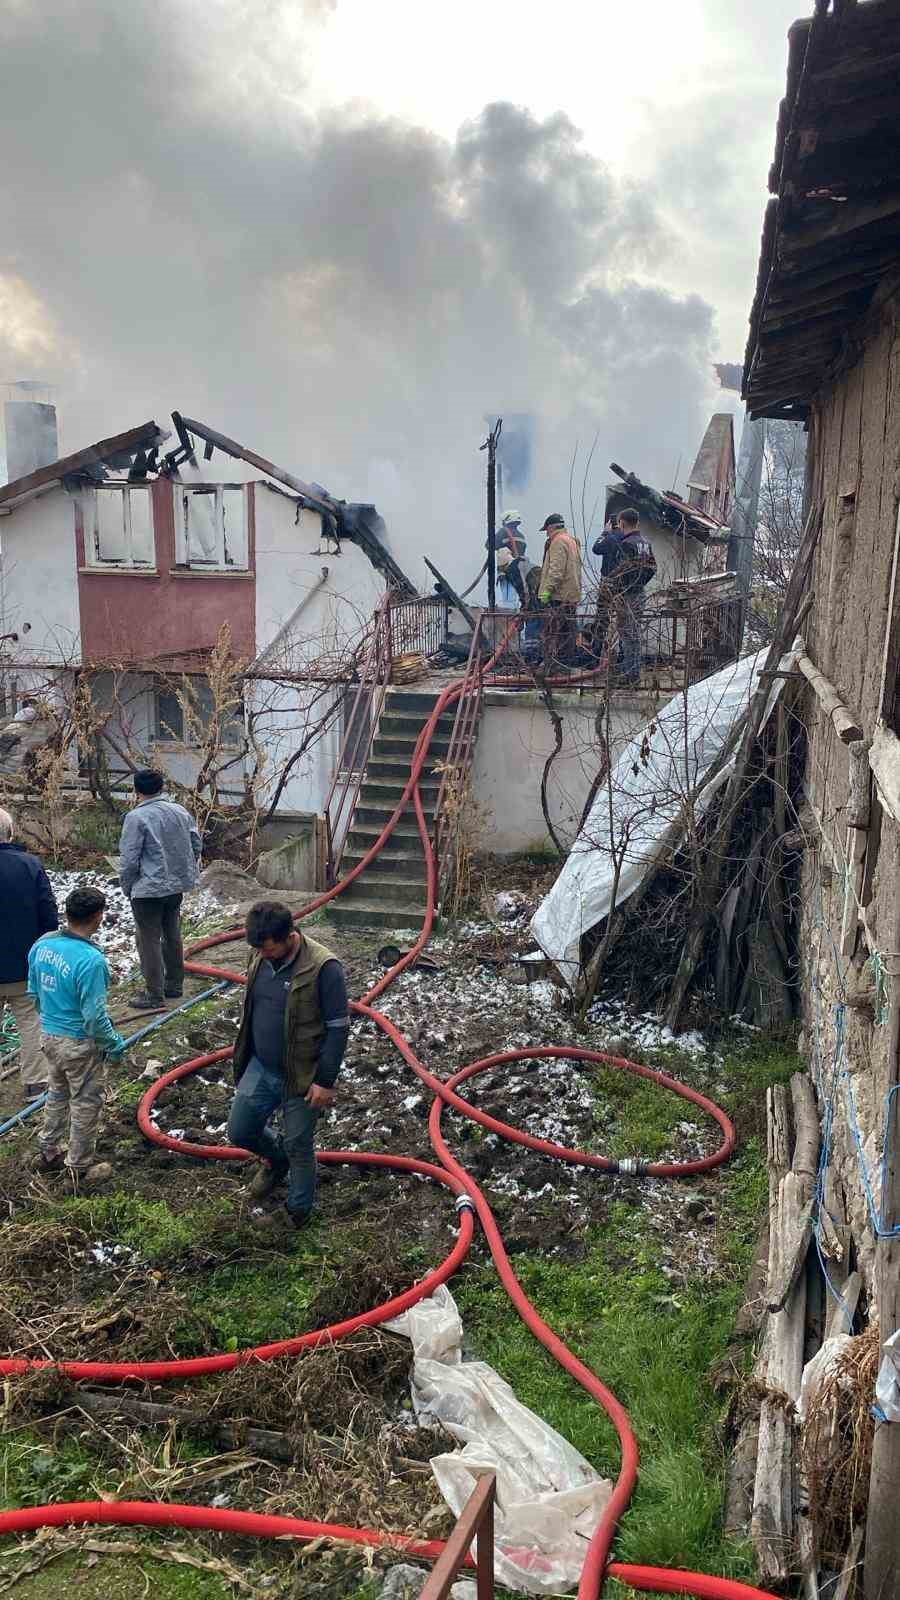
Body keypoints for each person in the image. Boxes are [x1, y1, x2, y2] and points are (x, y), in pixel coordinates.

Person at [227, 901, 350, 1229]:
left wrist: (325, 1081)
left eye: (268, 948)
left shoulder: (325, 968)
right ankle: (275, 1161)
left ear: (290, 937)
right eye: (257, 948)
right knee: (239, 1130)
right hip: (260, 1066)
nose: (262, 954)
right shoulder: (259, 955)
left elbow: (338, 1028)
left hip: (302, 1075)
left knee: (298, 1143)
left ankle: (297, 1211)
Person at [28, 886, 127, 1188]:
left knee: (57, 1093)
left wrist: (51, 1021)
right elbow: (95, 1016)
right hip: (78, 1043)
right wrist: (113, 1043)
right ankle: (78, 1166)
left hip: (49, 1036)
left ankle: (48, 1151)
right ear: (98, 917)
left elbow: (34, 993)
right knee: (85, 1102)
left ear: (67, 913)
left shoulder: (42, 945)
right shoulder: (91, 961)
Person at [119, 770, 202, 1010]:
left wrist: (128, 886)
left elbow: (129, 859)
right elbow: (196, 845)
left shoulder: (136, 817)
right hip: (175, 885)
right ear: (161, 787)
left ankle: (154, 994)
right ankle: (174, 985)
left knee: (148, 941)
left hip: (147, 889)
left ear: (137, 791)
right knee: (172, 933)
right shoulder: (180, 812)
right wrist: (182, 871)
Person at [0, 807, 59, 1100]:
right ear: (10, 832)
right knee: (30, 1021)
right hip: (24, 963)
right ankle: (36, 1083)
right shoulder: (29, 865)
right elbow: (48, 913)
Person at [591, 508, 656, 684]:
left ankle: (631, 675)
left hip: (627, 595)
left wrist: (619, 589)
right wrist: (640, 583)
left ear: (621, 523)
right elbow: (653, 568)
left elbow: (621, 571)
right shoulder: (644, 542)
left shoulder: (626, 544)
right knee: (633, 634)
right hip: (639, 593)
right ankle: (631, 672)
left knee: (628, 636)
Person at [537, 513, 582, 668]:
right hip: (571, 595)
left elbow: (556, 572)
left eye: (547, 530)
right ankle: (565, 666)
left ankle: (553, 666)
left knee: (553, 633)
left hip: (558, 597)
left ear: (551, 527)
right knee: (567, 634)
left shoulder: (557, 542)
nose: (547, 534)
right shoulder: (572, 541)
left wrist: (546, 593)